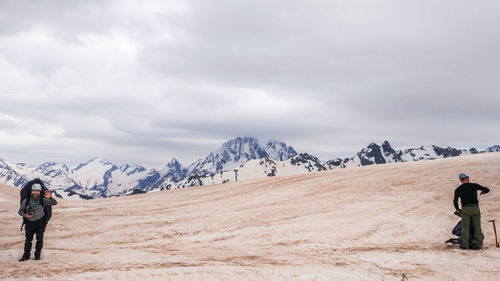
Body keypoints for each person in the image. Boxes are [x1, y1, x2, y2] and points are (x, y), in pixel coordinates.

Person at [18, 183, 57, 261]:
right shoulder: (26, 201)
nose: (36, 192)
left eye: (37, 191)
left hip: (41, 223)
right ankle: (26, 255)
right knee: (28, 240)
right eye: (34, 191)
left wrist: (50, 198)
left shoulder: (43, 200)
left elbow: (54, 203)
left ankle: (37, 255)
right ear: (31, 191)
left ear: (40, 192)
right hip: (29, 223)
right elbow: (20, 211)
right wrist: (26, 215)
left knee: (39, 239)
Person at [453, 173, 490, 250]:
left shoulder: (458, 189)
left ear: (461, 180)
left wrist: (457, 209)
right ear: (467, 178)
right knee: (478, 228)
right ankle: (479, 246)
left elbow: (455, 201)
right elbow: (487, 189)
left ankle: (465, 246)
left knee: (465, 228)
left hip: (466, 209)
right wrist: (483, 192)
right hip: (476, 209)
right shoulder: (474, 185)